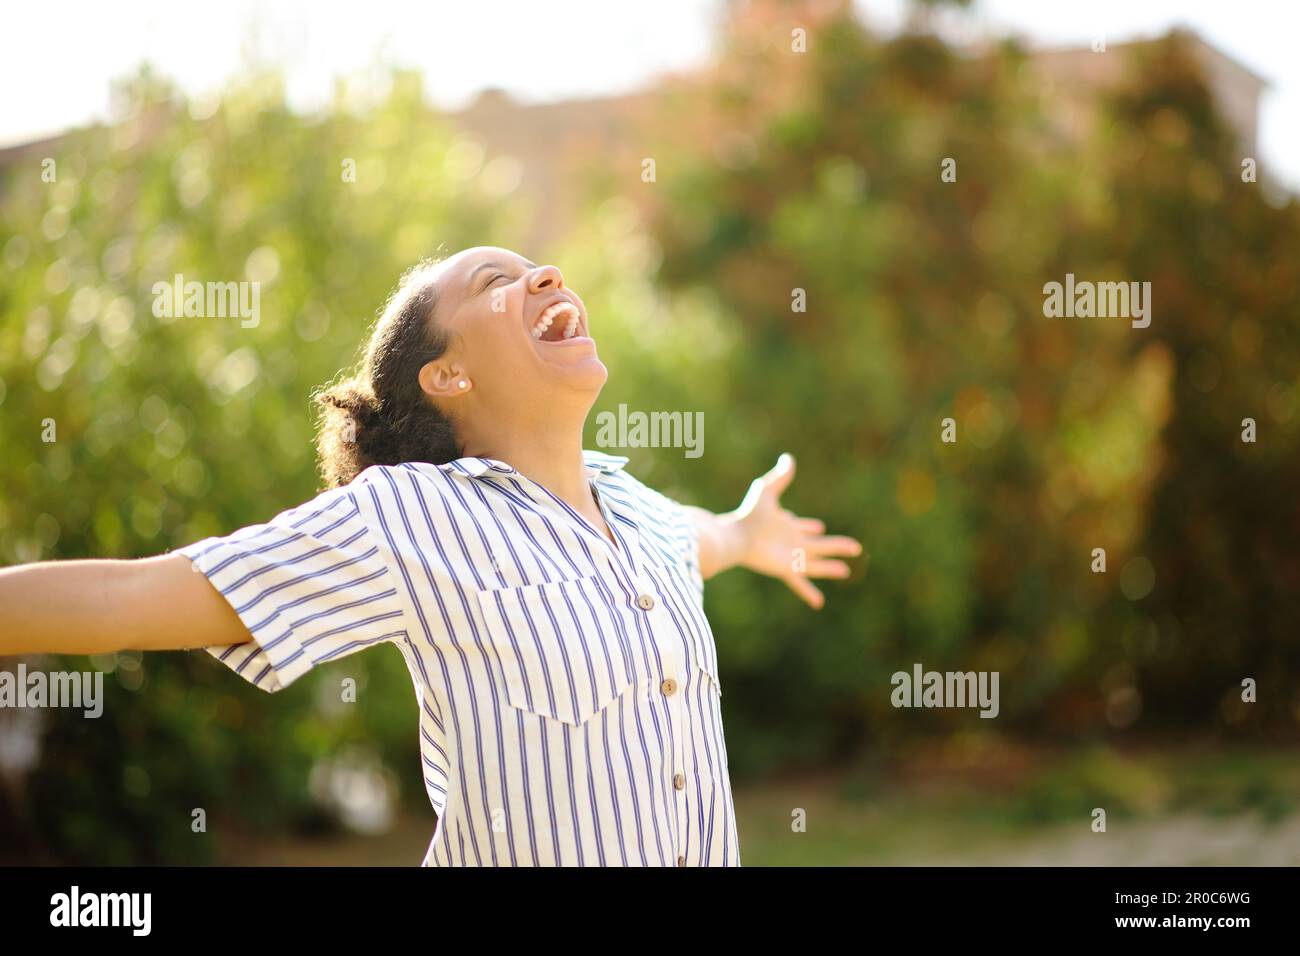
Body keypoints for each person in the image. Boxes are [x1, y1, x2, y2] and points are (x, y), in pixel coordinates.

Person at [0, 246, 862, 866]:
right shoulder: (412, 519)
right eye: (499, 282)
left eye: (538, 267)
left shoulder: (636, 509)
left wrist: (747, 535)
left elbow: (695, 544)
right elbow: (133, 596)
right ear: (446, 376)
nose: (546, 277)